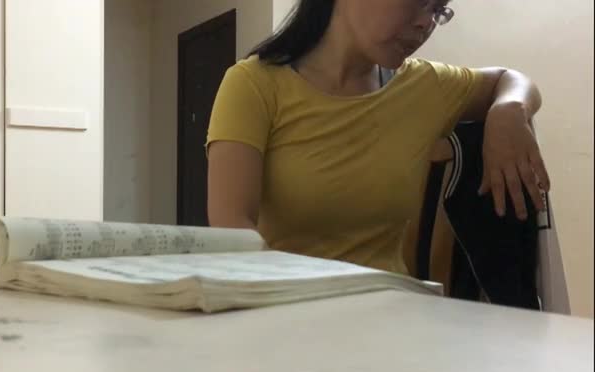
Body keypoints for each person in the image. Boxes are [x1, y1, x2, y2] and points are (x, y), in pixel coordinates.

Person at [205, 0, 550, 275]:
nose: (425, 23)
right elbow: (232, 226)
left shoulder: (423, 86)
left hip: (391, 314)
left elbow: (512, 80)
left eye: (437, 10)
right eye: (417, 2)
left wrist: (509, 109)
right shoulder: (254, 84)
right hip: (285, 309)